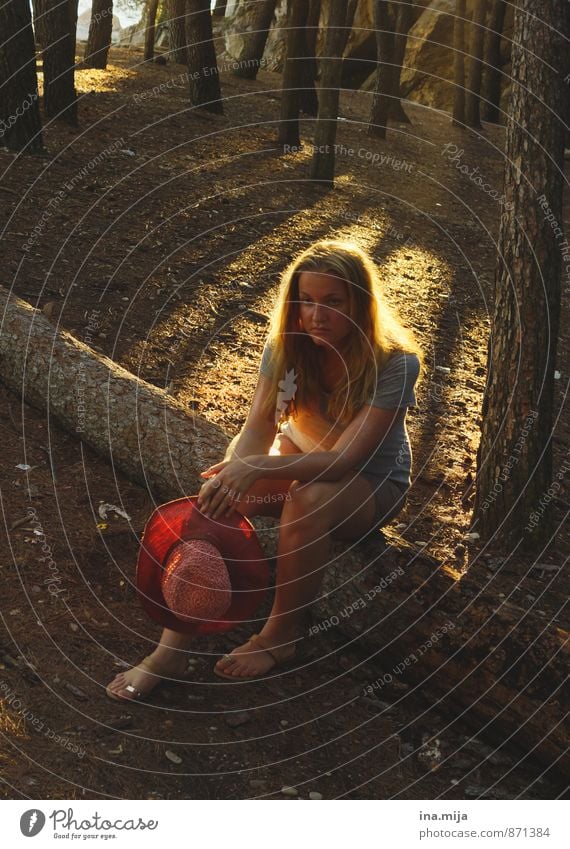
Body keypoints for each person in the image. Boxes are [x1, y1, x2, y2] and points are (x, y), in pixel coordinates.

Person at [106, 239, 422, 698]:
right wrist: (240, 469)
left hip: (368, 486)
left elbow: (346, 460)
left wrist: (256, 466)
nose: (317, 315)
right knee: (220, 496)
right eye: (306, 301)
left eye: (333, 302)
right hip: (297, 457)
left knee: (307, 500)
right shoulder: (286, 347)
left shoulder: (395, 362)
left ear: (360, 303)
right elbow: (258, 428)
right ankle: (171, 648)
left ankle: (281, 637)